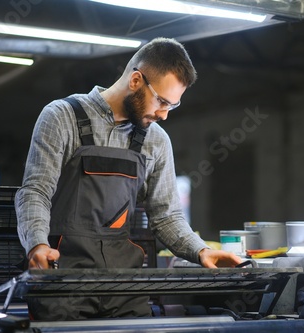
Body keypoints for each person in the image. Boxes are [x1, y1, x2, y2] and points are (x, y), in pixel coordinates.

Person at [15, 37, 242, 320]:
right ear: (136, 80)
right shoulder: (62, 118)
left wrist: (201, 251)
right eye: (161, 101)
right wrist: (37, 244)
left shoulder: (156, 141)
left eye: (173, 105)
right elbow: (35, 191)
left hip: (123, 285)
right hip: (62, 280)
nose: (164, 114)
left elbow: (166, 217)